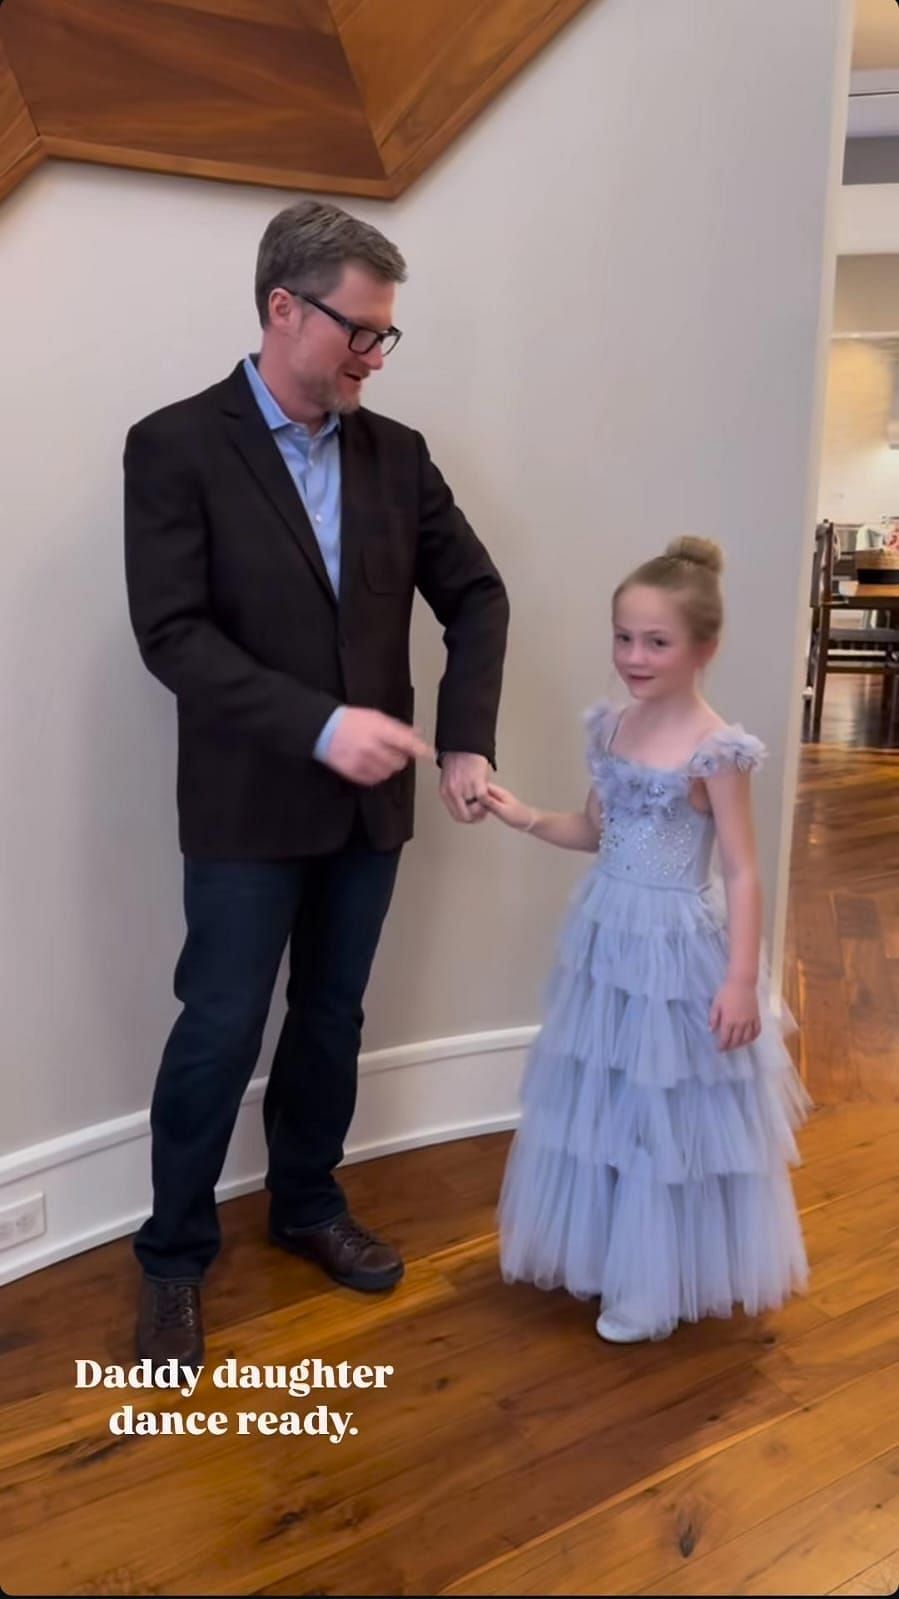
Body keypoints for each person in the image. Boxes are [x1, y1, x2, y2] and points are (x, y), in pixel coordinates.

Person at [124, 198, 509, 1366]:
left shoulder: (397, 454)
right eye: (359, 330)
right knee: (220, 1027)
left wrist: (463, 737)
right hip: (245, 808)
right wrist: (319, 723)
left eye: (386, 336)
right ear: (281, 308)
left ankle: (305, 1206)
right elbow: (173, 634)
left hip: (369, 811)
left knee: (332, 1019)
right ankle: (174, 1255)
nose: (373, 355)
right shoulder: (174, 444)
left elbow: (476, 594)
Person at [484, 537, 809, 1343]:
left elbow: (739, 871)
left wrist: (742, 980)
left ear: (705, 646)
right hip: (605, 939)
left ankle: (651, 1280)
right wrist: (523, 813)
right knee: (602, 1099)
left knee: (664, 1114)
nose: (633, 655)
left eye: (655, 641)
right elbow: (594, 827)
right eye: (623, 636)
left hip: (676, 951)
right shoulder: (614, 728)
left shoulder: (716, 750)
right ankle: (603, 1250)